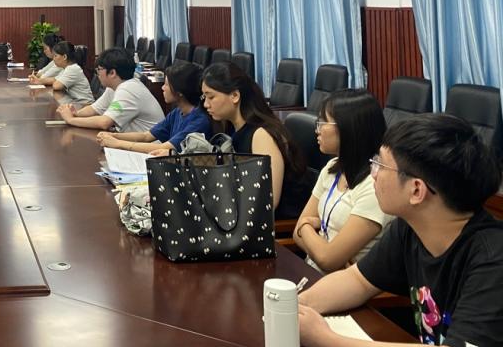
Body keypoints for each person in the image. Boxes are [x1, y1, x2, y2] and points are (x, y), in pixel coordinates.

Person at [298, 114, 503, 347]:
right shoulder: (410, 228)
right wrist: (295, 306)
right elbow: (357, 281)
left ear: (416, 191)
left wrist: (325, 339)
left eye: (380, 165)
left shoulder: (492, 260)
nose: (373, 173)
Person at [293, 90, 389, 273]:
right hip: (312, 272)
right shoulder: (333, 167)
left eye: (323, 122)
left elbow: (327, 259)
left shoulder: (375, 185)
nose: (317, 130)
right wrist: (312, 237)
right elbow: (297, 234)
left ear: (349, 128)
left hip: (344, 285)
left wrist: (305, 226)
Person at [200, 61, 310, 219]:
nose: (206, 104)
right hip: (242, 213)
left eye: (211, 97)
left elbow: (268, 201)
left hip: (276, 225)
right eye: (204, 97)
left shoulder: (261, 135)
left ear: (235, 96)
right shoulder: (231, 127)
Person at [96, 60, 210, 155]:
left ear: (180, 92)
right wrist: (113, 136)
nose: (162, 88)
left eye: (166, 85)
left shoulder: (199, 120)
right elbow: (146, 136)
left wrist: (117, 143)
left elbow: (165, 148)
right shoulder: (178, 112)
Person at [58, 47, 163, 132]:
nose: (97, 74)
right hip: (134, 143)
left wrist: (70, 119)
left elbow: (104, 122)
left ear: (112, 73)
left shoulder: (128, 89)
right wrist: (75, 113)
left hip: (151, 148)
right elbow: (95, 109)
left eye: (99, 69)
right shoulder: (114, 87)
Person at [44, 41, 93, 105]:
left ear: (64, 57)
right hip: (77, 102)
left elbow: (56, 86)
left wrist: (55, 81)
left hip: (84, 104)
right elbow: (55, 80)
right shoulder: (68, 68)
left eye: (55, 56)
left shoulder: (72, 69)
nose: (54, 59)